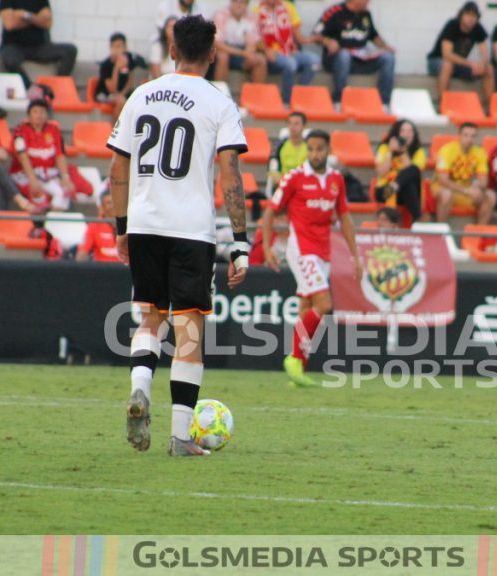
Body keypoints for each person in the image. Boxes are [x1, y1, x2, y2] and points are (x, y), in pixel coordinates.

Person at [106, 15, 250, 457]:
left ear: (172, 50)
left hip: (146, 223)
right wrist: (240, 241)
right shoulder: (218, 102)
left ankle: (140, 389)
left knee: (150, 318)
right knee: (189, 332)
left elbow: (117, 169)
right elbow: (230, 171)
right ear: (212, 55)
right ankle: (180, 437)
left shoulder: (141, 95)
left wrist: (122, 228)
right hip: (191, 230)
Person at [261, 129, 360, 388]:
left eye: (320, 149)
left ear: (328, 150)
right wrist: (267, 247)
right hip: (301, 249)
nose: (316, 153)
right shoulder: (294, 178)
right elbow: (271, 213)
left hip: (323, 252)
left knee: (307, 307)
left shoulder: (336, 180)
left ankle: (298, 371)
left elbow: (345, 218)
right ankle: (294, 358)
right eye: (311, 149)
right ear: (307, 150)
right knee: (324, 304)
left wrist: (355, 256)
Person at [317, 0, 396, 108]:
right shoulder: (335, 11)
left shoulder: (365, 14)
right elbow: (316, 34)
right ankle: (338, 101)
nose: (368, 3)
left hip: (360, 58)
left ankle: (383, 103)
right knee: (344, 55)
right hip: (336, 60)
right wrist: (328, 42)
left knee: (388, 57)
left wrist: (385, 47)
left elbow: (373, 35)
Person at [9, 99, 75, 211]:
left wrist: (65, 177)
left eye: (42, 112)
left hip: (47, 173)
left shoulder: (54, 130)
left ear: (47, 115)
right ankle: (40, 224)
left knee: (64, 192)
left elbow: (60, 155)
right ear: (29, 115)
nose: (39, 115)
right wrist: (32, 178)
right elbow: (22, 156)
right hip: (25, 173)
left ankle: (53, 221)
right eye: (35, 112)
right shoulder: (20, 130)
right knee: (39, 197)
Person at [0, 0, 78, 88]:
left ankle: (56, 87)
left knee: (70, 50)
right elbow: (9, 24)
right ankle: (30, 88)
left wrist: (24, 15)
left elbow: (47, 23)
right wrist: (37, 18)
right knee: (9, 60)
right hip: (13, 46)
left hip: (39, 47)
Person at [256, 0, 320, 105]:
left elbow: (298, 36)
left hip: (289, 51)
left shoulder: (288, 7)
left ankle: (299, 94)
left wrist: (318, 38)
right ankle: (287, 101)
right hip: (272, 53)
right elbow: (254, 37)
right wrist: (266, 50)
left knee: (314, 61)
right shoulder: (256, 10)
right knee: (290, 64)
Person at [428, 1, 494, 101]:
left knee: (488, 68)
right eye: (468, 14)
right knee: (447, 65)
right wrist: (471, 64)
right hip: (437, 61)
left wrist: (482, 64)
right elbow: (447, 55)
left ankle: (492, 107)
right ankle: (443, 103)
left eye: (474, 15)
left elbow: (485, 53)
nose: (471, 18)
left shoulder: (478, 28)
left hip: (459, 65)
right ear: (461, 15)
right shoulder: (452, 25)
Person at [433, 122, 495, 224]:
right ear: (459, 136)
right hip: (443, 188)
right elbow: (443, 180)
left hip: (466, 189)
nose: (469, 139)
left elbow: (483, 180)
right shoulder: (446, 151)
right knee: (446, 194)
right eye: (466, 135)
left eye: (473, 136)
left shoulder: (480, 153)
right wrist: (465, 190)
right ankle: (441, 231)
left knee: (491, 196)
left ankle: (478, 234)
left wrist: (478, 185)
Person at [374, 120, 426, 227]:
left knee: (411, 178)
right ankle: (418, 219)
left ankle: (396, 185)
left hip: (402, 191)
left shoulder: (419, 152)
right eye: (403, 131)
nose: (406, 134)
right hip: (384, 190)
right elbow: (381, 172)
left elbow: (414, 172)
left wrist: (402, 152)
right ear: (396, 133)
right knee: (408, 184)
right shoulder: (384, 148)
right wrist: (391, 152)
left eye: (410, 131)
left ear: (414, 134)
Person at [95, 34, 147, 125]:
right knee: (121, 101)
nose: (117, 50)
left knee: (136, 100)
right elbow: (111, 88)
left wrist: (123, 93)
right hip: (105, 93)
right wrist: (116, 68)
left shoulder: (128, 60)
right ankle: (115, 131)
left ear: (125, 48)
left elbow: (129, 80)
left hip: (121, 93)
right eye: (115, 47)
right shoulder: (106, 65)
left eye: (120, 46)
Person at [213, 0, 267, 84]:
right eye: (235, 2)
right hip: (226, 50)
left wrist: (249, 53)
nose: (238, 5)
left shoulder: (252, 17)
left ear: (247, 4)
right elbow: (217, 44)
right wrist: (242, 53)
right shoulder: (221, 15)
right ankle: (219, 93)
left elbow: (253, 42)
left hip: (242, 51)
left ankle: (255, 95)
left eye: (242, 2)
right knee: (223, 56)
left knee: (260, 59)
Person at [77, 189, 119, 262]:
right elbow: (82, 253)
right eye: (109, 203)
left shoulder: (129, 224)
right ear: (101, 207)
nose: (113, 206)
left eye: (115, 202)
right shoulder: (94, 226)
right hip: (102, 270)